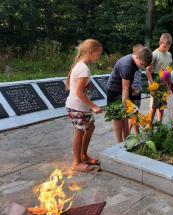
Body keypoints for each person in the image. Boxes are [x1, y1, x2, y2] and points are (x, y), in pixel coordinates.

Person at [65, 39, 103, 172]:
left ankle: (83, 155)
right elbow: (78, 92)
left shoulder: (81, 66)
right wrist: (93, 106)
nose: (99, 57)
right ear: (91, 52)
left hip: (82, 107)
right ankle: (76, 163)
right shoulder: (83, 69)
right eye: (98, 54)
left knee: (90, 127)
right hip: (77, 107)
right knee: (79, 131)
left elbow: (74, 88)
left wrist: (90, 106)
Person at [106, 46, 153, 143]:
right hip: (115, 90)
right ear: (137, 57)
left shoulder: (136, 61)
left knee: (126, 116)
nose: (143, 67)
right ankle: (119, 143)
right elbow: (125, 88)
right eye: (142, 64)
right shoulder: (127, 65)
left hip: (125, 89)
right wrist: (126, 106)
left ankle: (127, 139)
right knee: (118, 117)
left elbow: (128, 85)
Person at [147, 33, 173, 124]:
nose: (166, 48)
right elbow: (148, 70)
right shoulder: (154, 54)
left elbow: (168, 71)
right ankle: (149, 124)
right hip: (155, 80)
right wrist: (152, 82)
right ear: (160, 43)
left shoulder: (169, 55)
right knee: (154, 105)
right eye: (164, 46)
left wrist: (169, 85)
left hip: (164, 81)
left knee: (162, 105)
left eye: (168, 47)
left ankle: (159, 123)